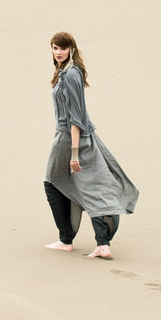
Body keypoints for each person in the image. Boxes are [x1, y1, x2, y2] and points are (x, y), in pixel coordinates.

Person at [43, 31, 139, 259]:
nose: (58, 52)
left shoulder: (68, 76)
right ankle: (101, 243)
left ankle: (67, 239)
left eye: (62, 48)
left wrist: (74, 153)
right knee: (91, 185)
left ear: (71, 49)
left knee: (53, 183)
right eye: (55, 48)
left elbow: (75, 118)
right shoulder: (72, 71)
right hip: (84, 136)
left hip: (69, 138)